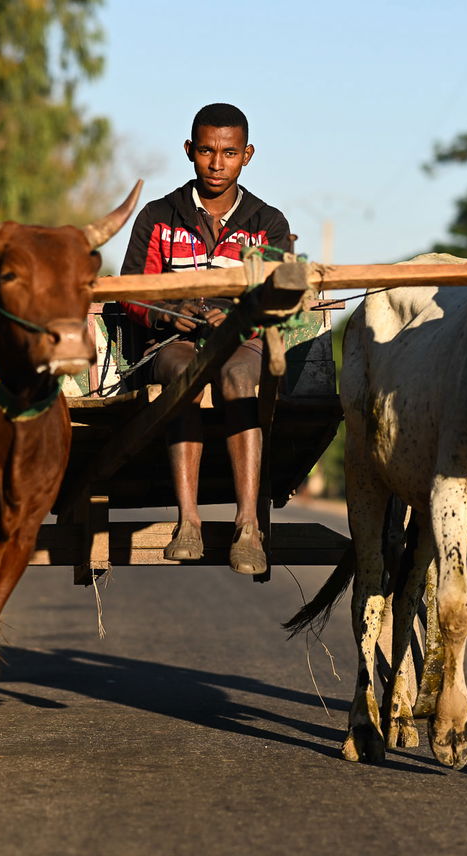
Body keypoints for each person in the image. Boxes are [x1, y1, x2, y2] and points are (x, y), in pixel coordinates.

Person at [115, 103, 292, 574]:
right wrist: (173, 314)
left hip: (243, 342)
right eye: (207, 151)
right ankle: (188, 521)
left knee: (237, 374)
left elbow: (278, 299)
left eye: (229, 152)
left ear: (247, 155)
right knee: (183, 372)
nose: (217, 163)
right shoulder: (157, 216)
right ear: (190, 151)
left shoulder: (267, 223)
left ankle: (247, 525)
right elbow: (133, 290)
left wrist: (234, 318)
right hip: (171, 343)